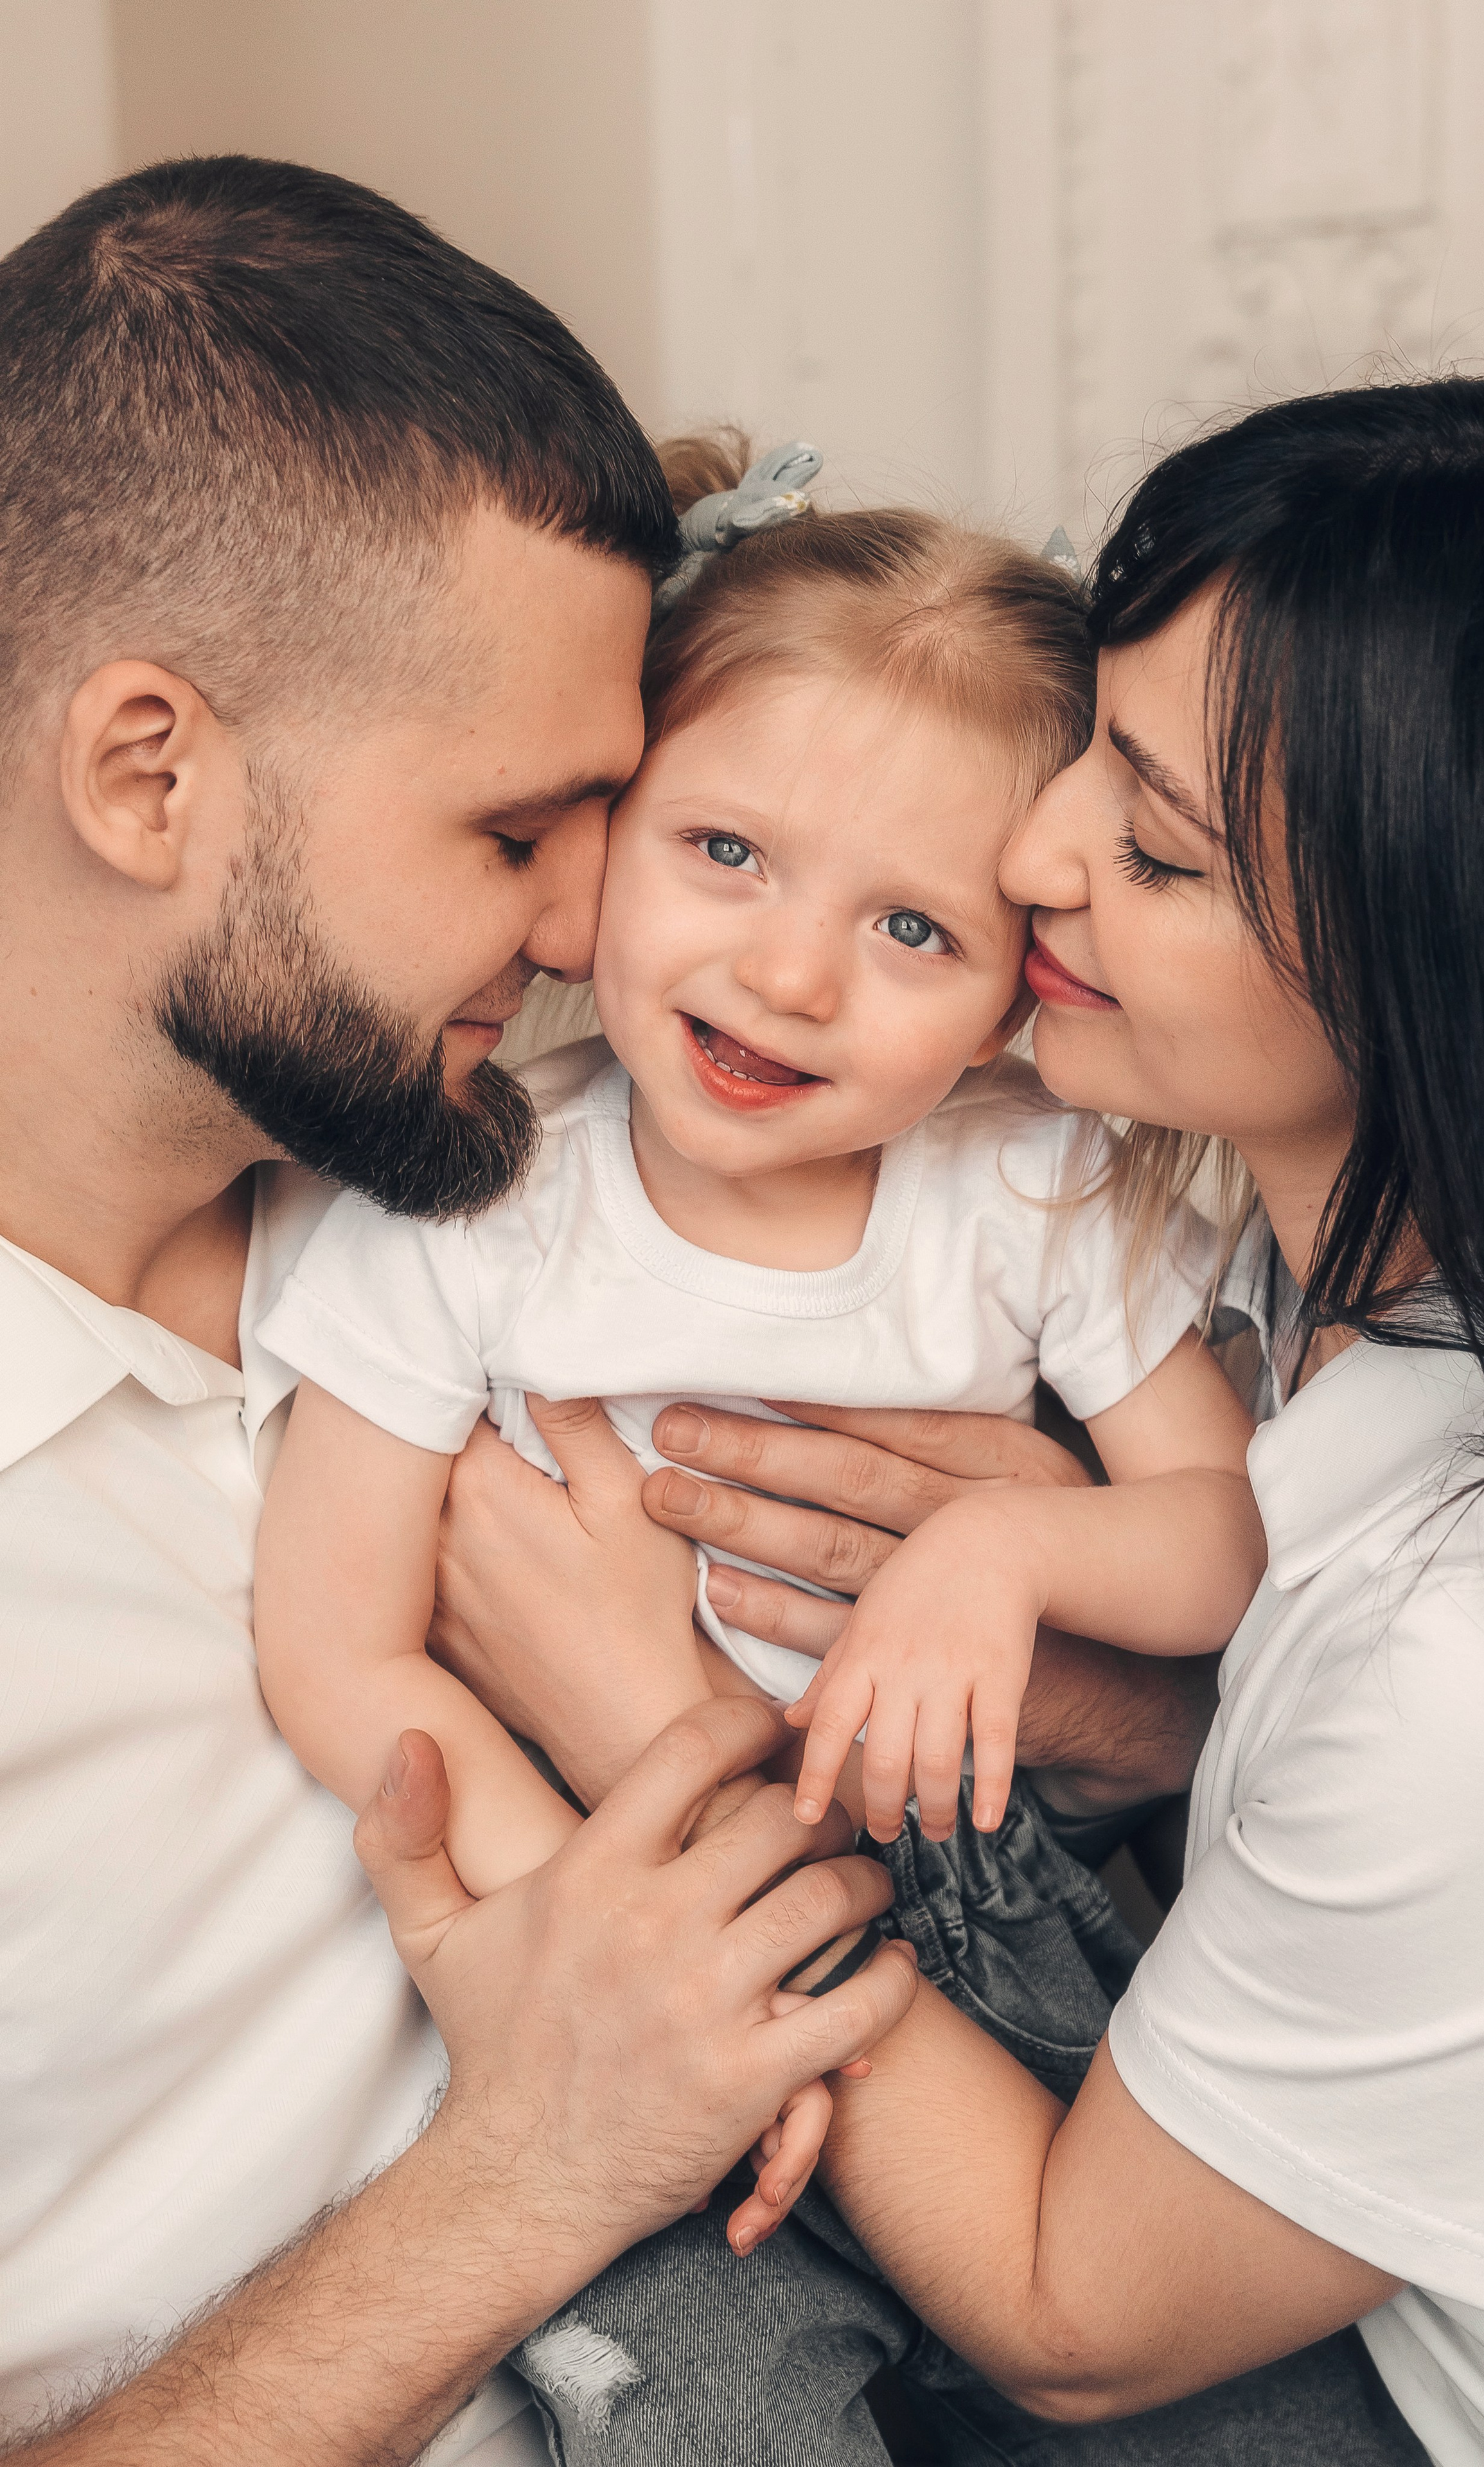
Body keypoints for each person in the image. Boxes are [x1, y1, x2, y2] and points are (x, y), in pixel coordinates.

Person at [436, 373, 1484, 2466]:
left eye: (1156, 848)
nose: (1034, 851)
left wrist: (660, 1731)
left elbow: (1081, 2320)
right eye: (1094, 738)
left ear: (1450, 977)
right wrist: (1116, 1686)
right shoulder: (1242, 1258)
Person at [0, 156, 935, 2464]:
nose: (584, 924)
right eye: (515, 833)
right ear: (149, 773)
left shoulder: (501, 1178)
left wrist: (1075, 1664)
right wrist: (535, 2163)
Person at [249, 428, 1259, 1925]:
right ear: (605, 833)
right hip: (591, 1866)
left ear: (1011, 1003)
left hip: (976, 1887)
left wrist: (1006, 1549)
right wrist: (615, 1919)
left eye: (910, 930)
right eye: (723, 848)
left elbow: (1233, 1543)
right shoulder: (473, 1195)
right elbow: (336, 1649)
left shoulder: (1029, 1179)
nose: (786, 975)